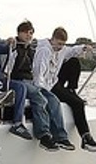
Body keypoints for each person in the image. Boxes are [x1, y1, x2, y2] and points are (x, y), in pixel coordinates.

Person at [5, 21, 70, 149]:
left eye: (31, 33)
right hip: (18, 80)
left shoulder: (30, 49)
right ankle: (44, 135)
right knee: (39, 98)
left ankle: (61, 137)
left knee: (53, 100)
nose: (29, 36)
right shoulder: (14, 46)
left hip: (30, 81)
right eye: (26, 33)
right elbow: (8, 67)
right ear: (19, 33)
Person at [34, 26, 96, 150]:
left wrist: (83, 47)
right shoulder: (43, 50)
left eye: (62, 44)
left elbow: (72, 51)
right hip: (46, 85)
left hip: (54, 81)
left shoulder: (62, 50)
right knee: (77, 103)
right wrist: (42, 90)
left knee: (73, 61)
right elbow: (38, 72)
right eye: (59, 44)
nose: (60, 47)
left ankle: (71, 89)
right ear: (52, 39)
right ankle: (85, 137)